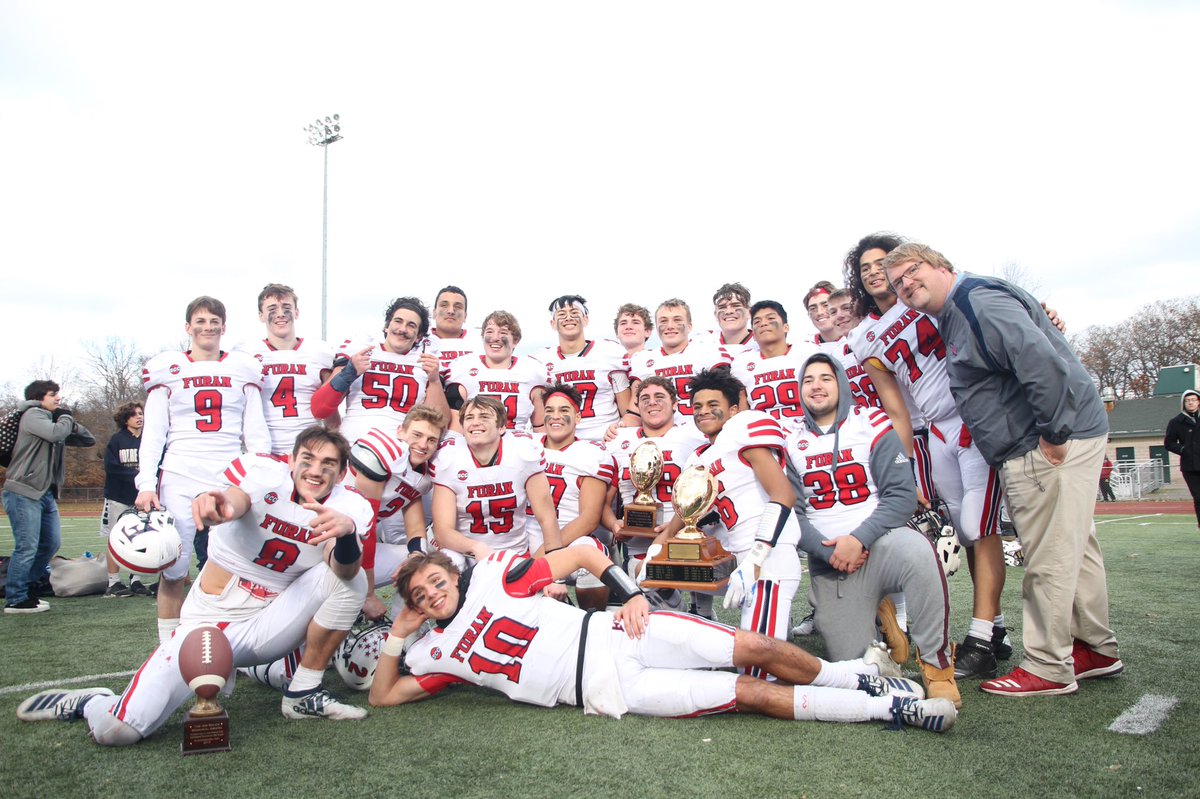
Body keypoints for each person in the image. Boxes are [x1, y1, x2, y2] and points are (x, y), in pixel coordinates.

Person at [17, 426, 374, 737]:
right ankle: (93, 702)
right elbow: (234, 502)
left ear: (342, 473)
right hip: (211, 621)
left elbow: (341, 571)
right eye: (308, 459)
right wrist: (218, 506)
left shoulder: (350, 506)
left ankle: (303, 693)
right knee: (118, 731)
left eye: (329, 464)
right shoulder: (265, 473)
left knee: (353, 580)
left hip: (273, 618)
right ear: (291, 460)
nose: (316, 470)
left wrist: (345, 535)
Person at [367, 548, 956, 733]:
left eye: (436, 583)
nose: (432, 596)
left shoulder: (498, 579)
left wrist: (629, 592)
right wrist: (397, 635)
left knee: (758, 648)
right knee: (748, 693)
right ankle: (892, 708)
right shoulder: (436, 652)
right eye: (420, 596)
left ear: (453, 576)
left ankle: (859, 676)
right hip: (605, 690)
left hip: (621, 633)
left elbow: (579, 554)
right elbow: (383, 698)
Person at [884, 242, 1122, 697]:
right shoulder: (962, 306)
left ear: (940, 266)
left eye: (912, 271)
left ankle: (1050, 666)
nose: (906, 284)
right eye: (898, 283)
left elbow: (1039, 363)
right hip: (1047, 436)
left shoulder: (976, 301)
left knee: (1048, 554)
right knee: (1077, 549)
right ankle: (1096, 648)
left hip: (1040, 442)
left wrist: (1052, 433)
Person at [783, 353, 960, 707]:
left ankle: (937, 667)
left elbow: (901, 495)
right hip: (830, 561)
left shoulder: (871, 422)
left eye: (825, 378)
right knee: (852, 666)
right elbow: (789, 513)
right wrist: (827, 549)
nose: (816, 386)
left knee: (919, 552)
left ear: (841, 384)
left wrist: (858, 539)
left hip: (881, 545)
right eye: (808, 380)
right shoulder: (788, 437)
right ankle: (883, 622)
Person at [135, 296, 272, 643]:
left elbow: (256, 434)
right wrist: (146, 484)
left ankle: (229, 639)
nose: (207, 327)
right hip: (180, 472)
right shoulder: (168, 368)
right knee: (173, 568)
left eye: (214, 321)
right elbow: (153, 433)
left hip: (228, 472)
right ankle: (168, 650)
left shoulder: (242, 368)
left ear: (224, 327)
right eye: (200, 321)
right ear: (188, 327)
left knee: (233, 564)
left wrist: (258, 476)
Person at [645, 368, 802, 643]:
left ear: (732, 410)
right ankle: (695, 618)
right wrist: (655, 550)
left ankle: (860, 671)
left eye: (712, 405)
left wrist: (756, 558)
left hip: (768, 555)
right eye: (697, 406)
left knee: (759, 665)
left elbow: (783, 495)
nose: (703, 411)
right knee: (645, 572)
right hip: (733, 556)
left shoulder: (743, 431)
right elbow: (687, 517)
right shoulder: (698, 456)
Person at [429, 396, 563, 566]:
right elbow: (443, 531)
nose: (475, 422)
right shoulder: (449, 459)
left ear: (501, 427)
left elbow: (547, 517)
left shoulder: (523, 453)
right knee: (451, 560)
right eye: (470, 418)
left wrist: (555, 574)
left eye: (484, 417)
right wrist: (476, 548)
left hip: (514, 553)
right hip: (466, 553)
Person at [604, 377, 707, 594]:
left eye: (659, 397)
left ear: (675, 404)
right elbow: (604, 500)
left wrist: (674, 526)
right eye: (645, 398)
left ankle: (701, 607)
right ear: (637, 406)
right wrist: (614, 525)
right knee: (647, 585)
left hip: (685, 534)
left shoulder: (694, 436)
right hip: (637, 543)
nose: (652, 402)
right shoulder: (618, 439)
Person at [3, 380, 95, 613]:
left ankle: (29, 587)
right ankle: (15, 598)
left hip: (45, 493)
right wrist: (64, 419)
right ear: (39, 397)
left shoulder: (54, 419)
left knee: (51, 542)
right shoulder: (33, 415)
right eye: (53, 394)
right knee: (27, 546)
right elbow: (55, 435)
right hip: (24, 489)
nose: (58, 399)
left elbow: (88, 439)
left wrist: (67, 420)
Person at [348, 404, 447, 617]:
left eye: (431, 440)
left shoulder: (419, 476)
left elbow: (416, 529)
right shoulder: (383, 455)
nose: (423, 445)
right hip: (326, 543)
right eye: (417, 435)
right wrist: (368, 594)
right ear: (400, 432)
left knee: (422, 560)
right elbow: (365, 530)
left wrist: (416, 556)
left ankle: (397, 632)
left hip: (350, 546)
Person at [525, 385, 617, 610]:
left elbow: (588, 519)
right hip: (526, 534)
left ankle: (590, 621)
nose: (555, 416)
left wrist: (542, 556)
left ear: (577, 417)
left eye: (563, 410)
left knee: (591, 556)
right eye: (549, 410)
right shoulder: (524, 445)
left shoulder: (592, 454)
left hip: (569, 536)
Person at [312, 296, 449, 446]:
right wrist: (348, 372)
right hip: (353, 445)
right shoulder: (362, 351)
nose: (402, 329)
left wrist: (434, 381)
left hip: (400, 451)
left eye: (411, 325)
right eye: (398, 321)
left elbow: (440, 423)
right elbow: (319, 410)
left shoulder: (424, 361)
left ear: (419, 336)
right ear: (386, 326)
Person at [235, 283, 335, 455]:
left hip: (308, 450)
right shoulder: (245, 353)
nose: (280, 313)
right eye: (272, 308)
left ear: (297, 312)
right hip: (265, 451)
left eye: (286, 307)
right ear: (261, 315)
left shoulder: (319, 352)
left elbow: (330, 408)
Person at [536, 296, 632, 442]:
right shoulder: (542, 361)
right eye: (561, 314)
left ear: (585, 319)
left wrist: (620, 430)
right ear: (553, 323)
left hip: (606, 439)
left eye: (574, 313)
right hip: (563, 442)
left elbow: (627, 411)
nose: (568, 317)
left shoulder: (609, 352)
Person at [624, 299, 731, 421]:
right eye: (663, 321)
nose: (670, 326)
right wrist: (621, 427)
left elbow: (728, 399)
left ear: (689, 326)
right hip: (660, 433)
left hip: (703, 430)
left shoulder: (708, 351)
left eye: (677, 320)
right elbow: (634, 410)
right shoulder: (643, 359)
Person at [445, 310, 550, 433]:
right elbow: (455, 429)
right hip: (476, 444)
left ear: (515, 340)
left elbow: (541, 428)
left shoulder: (531, 370)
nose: (495, 338)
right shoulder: (464, 368)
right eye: (490, 332)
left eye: (503, 333)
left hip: (518, 443)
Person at [728, 300, 818, 430]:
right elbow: (743, 412)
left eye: (770, 318)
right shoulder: (742, 363)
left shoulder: (808, 352)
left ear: (785, 327)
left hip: (807, 429)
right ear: (753, 333)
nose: (764, 323)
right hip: (764, 434)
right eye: (757, 322)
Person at [100, 401, 149, 597]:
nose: (140, 417)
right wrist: (137, 476)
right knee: (115, 539)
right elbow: (111, 467)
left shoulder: (148, 440)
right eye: (134, 414)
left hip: (142, 498)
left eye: (141, 413)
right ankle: (113, 582)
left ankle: (136, 579)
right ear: (125, 419)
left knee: (142, 538)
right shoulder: (116, 440)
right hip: (118, 496)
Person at [1165, 390, 1200, 526]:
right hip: (1190, 466)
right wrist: (1183, 449)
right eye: (1187, 400)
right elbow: (1169, 443)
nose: (1190, 402)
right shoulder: (1176, 422)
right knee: (1198, 498)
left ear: (1198, 402)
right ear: (1183, 403)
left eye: (1193, 399)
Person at [691, 283, 758, 355]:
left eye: (736, 305)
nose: (728, 311)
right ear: (715, 315)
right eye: (722, 307)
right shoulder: (701, 343)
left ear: (750, 312)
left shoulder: (761, 344)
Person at [426, 285, 478, 376]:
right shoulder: (418, 340)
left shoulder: (479, 343)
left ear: (465, 316)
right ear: (434, 313)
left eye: (458, 306)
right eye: (444, 305)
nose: (451, 311)